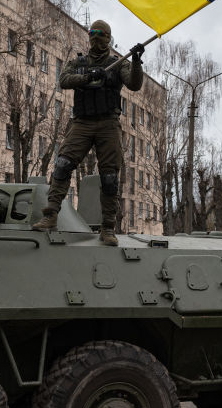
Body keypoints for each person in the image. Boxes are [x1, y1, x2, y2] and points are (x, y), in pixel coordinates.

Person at [31, 20, 144, 245]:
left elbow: (134, 84)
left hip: (108, 124)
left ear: (108, 38)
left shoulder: (117, 64)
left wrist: (136, 61)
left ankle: (108, 227)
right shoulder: (79, 63)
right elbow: (63, 80)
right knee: (63, 164)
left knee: (110, 177)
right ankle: (51, 214)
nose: (95, 37)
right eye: (92, 33)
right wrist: (88, 77)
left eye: (100, 34)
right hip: (82, 123)